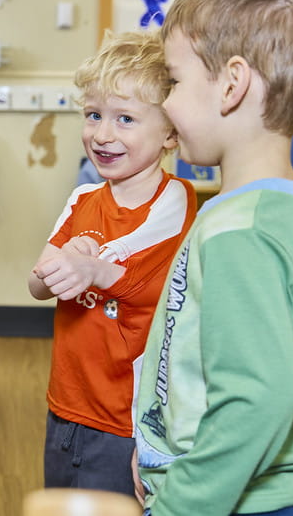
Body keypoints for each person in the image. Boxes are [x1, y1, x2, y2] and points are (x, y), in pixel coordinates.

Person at [133, 0, 293, 515]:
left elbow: (256, 402)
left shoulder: (241, 234)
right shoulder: (270, 202)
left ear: (232, 84)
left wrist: (178, 505)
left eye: (174, 80)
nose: (165, 101)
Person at [28, 30, 197, 495]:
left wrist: (93, 267)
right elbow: (37, 285)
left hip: (129, 419)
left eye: (125, 119)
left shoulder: (176, 199)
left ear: (170, 133)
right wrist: (57, 266)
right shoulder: (82, 197)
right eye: (94, 115)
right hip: (66, 405)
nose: (102, 134)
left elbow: (139, 277)